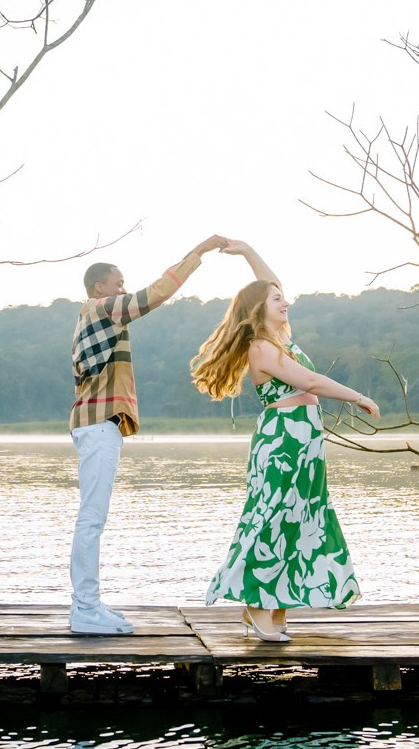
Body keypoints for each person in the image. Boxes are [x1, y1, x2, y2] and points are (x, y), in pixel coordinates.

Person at [190, 242, 378, 641]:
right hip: (282, 441)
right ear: (260, 308)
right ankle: (255, 607)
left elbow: (270, 283)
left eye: (284, 297)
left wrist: (248, 251)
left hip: (305, 439)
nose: (285, 301)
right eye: (277, 300)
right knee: (274, 518)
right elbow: (309, 382)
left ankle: (275, 609)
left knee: (298, 520)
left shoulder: (281, 339)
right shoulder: (260, 347)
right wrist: (357, 396)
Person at [67, 234, 227, 635]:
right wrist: (197, 253)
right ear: (100, 287)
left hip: (99, 424)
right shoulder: (101, 308)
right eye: (117, 282)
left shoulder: (94, 317)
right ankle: (85, 609)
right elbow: (154, 295)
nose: (122, 287)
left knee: (92, 519)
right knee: (91, 520)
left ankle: (89, 606)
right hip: (98, 424)